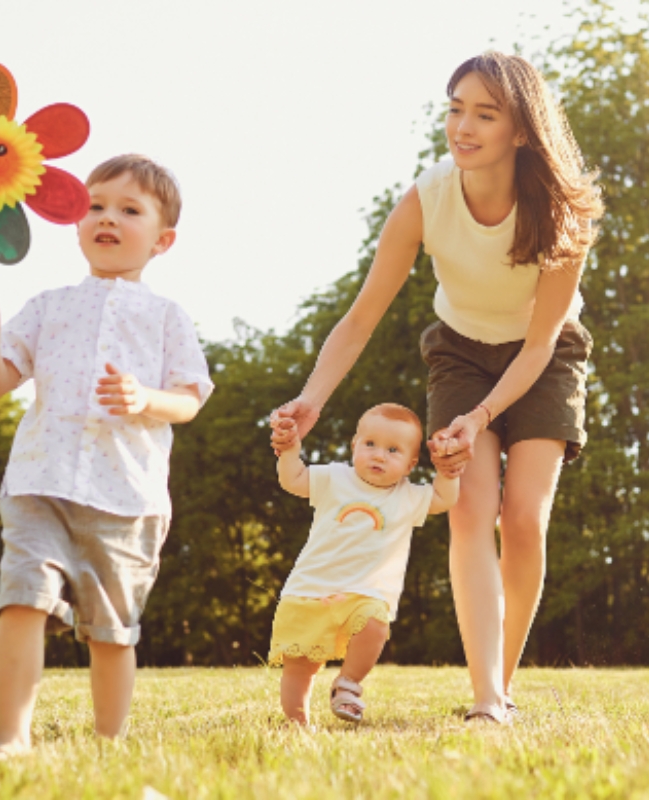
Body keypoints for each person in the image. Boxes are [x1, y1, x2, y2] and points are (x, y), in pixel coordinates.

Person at [271, 52, 602, 723]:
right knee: (472, 510)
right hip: (458, 353)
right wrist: (313, 398)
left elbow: (539, 344)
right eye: (456, 108)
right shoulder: (427, 198)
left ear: (521, 130)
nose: (463, 126)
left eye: (485, 113)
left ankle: (499, 686)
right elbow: (362, 316)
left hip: (546, 356)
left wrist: (483, 417)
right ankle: (486, 700)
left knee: (524, 520)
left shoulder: (563, 218)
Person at [0, 154, 214, 755]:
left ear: (163, 239)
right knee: (22, 598)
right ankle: (12, 738)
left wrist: (143, 398)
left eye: (129, 210)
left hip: (126, 495)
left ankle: (108, 743)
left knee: (112, 630)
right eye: (95, 206)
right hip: (40, 482)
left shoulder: (166, 317)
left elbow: (189, 399)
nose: (107, 218)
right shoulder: (48, 306)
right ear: (74, 220)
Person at [270, 403, 459, 726]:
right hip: (310, 589)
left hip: (366, 591)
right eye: (370, 444)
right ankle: (295, 724)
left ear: (411, 464)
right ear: (354, 445)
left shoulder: (407, 496)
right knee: (300, 667)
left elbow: (444, 500)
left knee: (375, 624)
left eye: (393, 450)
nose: (379, 455)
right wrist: (289, 451)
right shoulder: (334, 478)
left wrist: (447, 472)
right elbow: (294, 480)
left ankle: (348, 685)